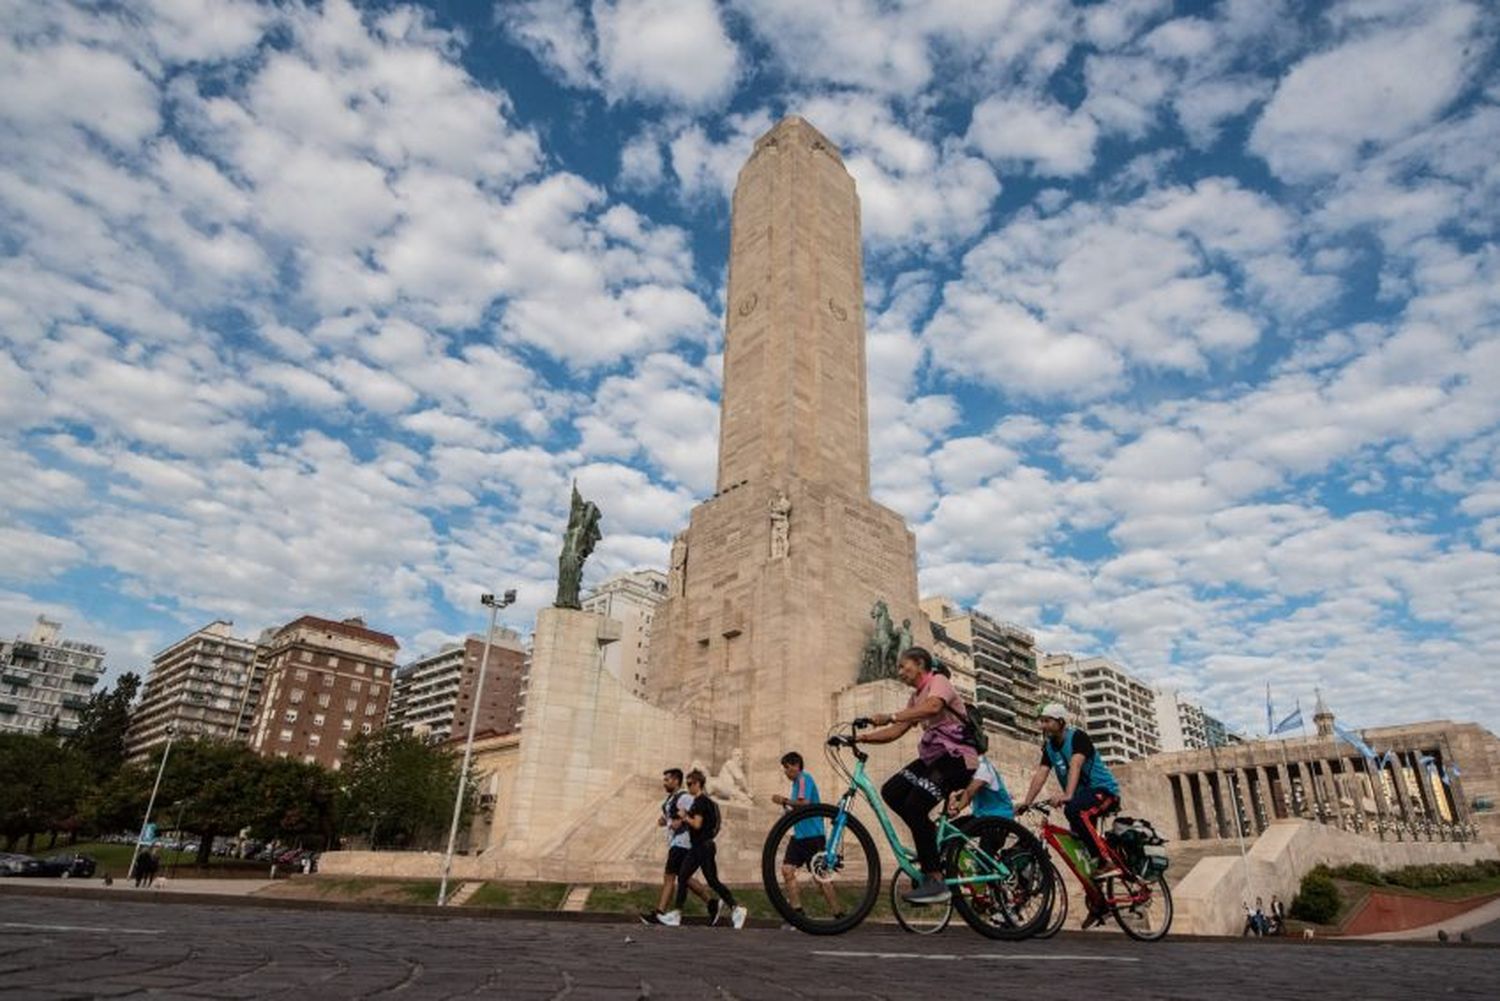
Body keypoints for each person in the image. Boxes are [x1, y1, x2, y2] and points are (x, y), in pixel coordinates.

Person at [857, 647, 979, 904]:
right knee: (892, 791)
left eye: (904, 666)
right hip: (934, 759)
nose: (900, 671)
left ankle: (935, 879)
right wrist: (859, 738)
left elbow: (933, 707)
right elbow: (895, 731)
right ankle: (927, 836)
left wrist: (890, 716)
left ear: (921, 663)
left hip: (957, 759)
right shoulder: (914, 699)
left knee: (915, 806)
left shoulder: (939, 682)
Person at [1016, 702, 1121, 927]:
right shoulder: (1049, 747)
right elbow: (1041, 774)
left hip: (1103, 792)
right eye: (1041, 720)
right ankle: (1099, 903)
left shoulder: (1077, 737)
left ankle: (1106, 861)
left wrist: (1067, 795)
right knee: (1079, 854)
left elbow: (1075, 766)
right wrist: (1027, 802)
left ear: (1060, 722)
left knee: (1074, 810)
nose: (1043, 724)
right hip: (1081, 798)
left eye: (1047, 720)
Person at [658, 770, 748, 929]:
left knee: (684, 876)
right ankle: (736, 908)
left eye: (690, 784)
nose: (688, 787)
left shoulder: (700, 802)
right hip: (707, 845)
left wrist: (685, 817)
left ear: (698, 784)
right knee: (712, 881)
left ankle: (677, 914)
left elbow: (697, 824)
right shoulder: (706, 801)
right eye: (687, 784)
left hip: (700, 845)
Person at [771, 751, 841, 918]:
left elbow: (805, 803)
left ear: (795, 766)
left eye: (787, 768)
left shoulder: (803, 779)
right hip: (799, 837)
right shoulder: (796, 783)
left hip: (813, 836)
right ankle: (797, 913)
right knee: (787, 870)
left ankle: (839, 915)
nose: (785, 772)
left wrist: (784, 800)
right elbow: (797, 808)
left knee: (821, 879)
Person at [642, 768, 713, 925]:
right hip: (677, 842)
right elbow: (672, 816)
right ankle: (712, 903)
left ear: (675, 780)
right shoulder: (672, 799)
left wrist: (681, 821)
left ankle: (659, 913)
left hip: (682, 842)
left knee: (669, 877)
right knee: (685, 878)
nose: (664, 783)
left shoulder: (685, 797)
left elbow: (695, 814)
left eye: (667, 780)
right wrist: (665, 820)